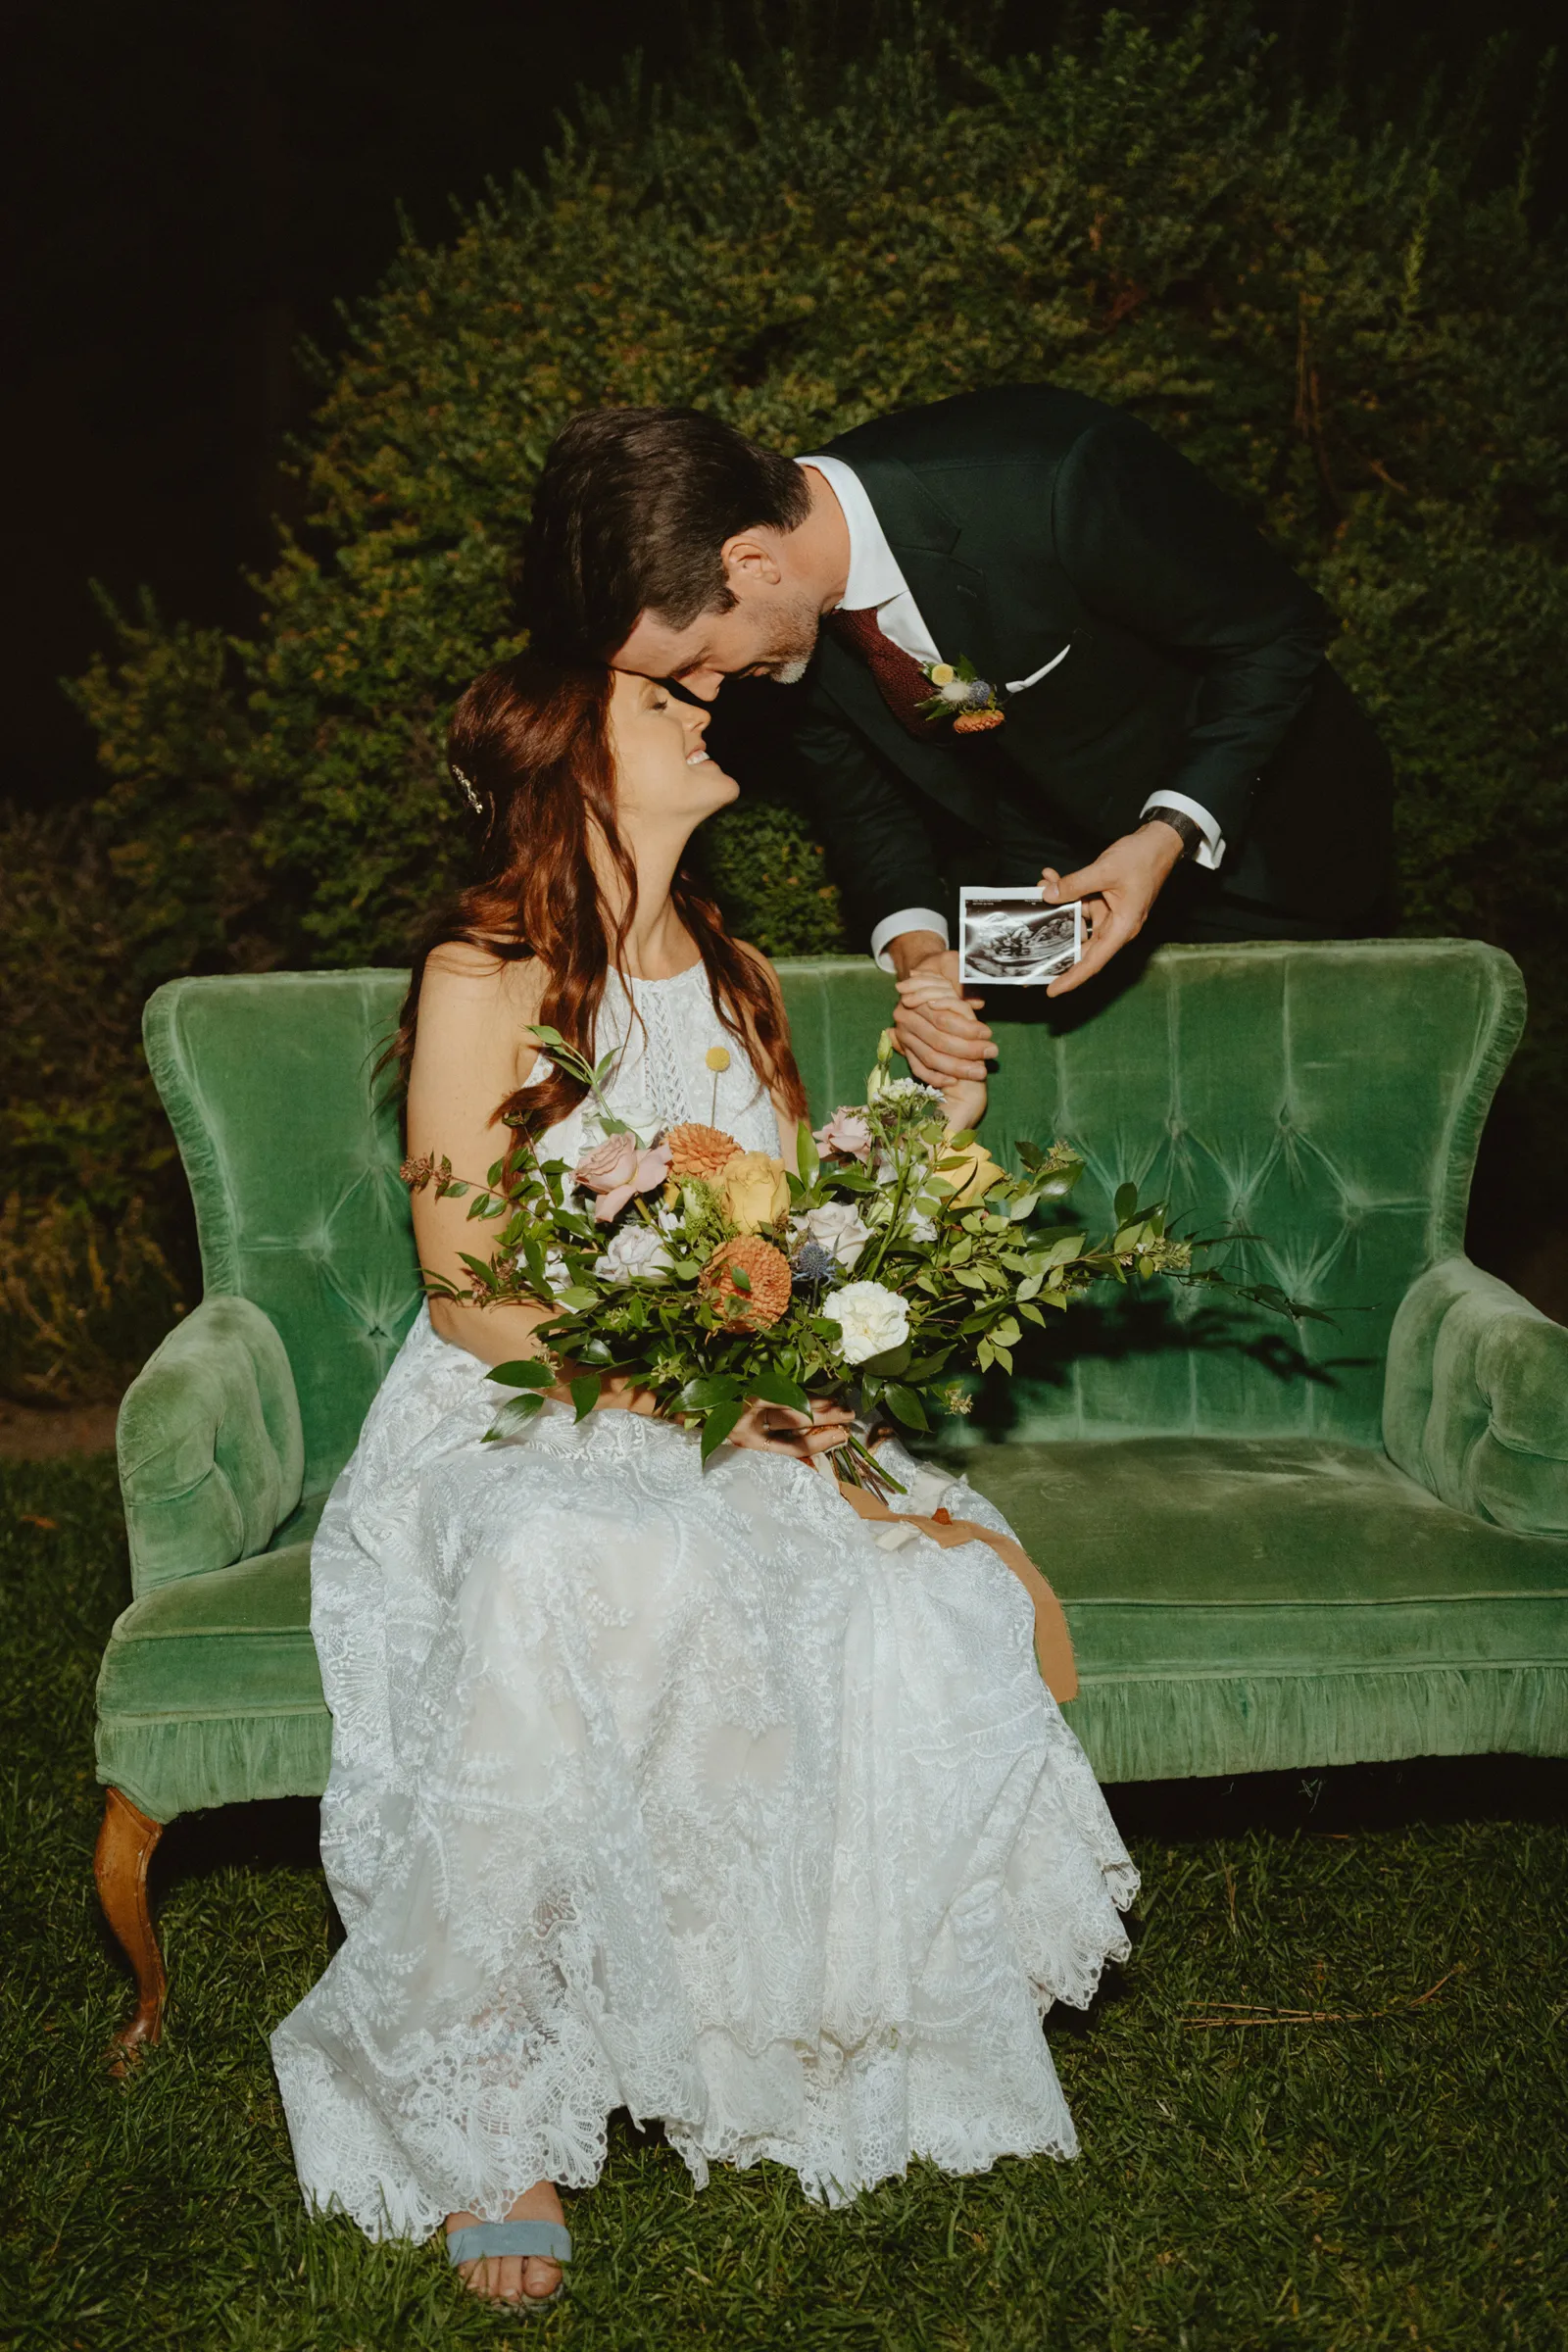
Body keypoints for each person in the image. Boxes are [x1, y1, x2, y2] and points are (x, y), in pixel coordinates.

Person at [270, 654, 1136, 2311]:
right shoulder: (486, 975)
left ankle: (784, 2038)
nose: (699, 712)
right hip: (524, 1400)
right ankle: (488, 2107)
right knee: (557, 1558)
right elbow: (466, 1289)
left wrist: (925, 1110)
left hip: (727, 1394)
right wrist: (685, 1385)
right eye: (660, 704)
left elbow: (789, 1230)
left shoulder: (728, 965)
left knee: (887, 1588)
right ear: (575, 769)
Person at [519, 388, 1395, 1095]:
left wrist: (1165, 832)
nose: (703, 694)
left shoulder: (1053, 481)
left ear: (751, 562)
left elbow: (1275, 635)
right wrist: (921, 956)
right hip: (1043, 914)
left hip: (1266, 858)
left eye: (700, 658)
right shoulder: (789, 633)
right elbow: (861, 804)